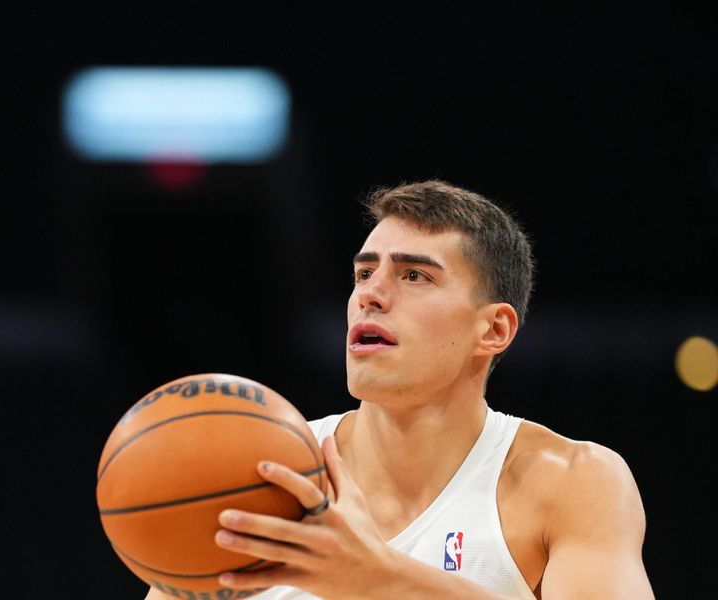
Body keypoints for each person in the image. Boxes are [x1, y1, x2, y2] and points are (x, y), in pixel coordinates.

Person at [146, 179, 654, 599]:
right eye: (365, 273)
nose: (371, 294)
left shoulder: (571, 482)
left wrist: (381, 580)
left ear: (494, 330)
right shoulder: (250, 476)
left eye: (414, 275)